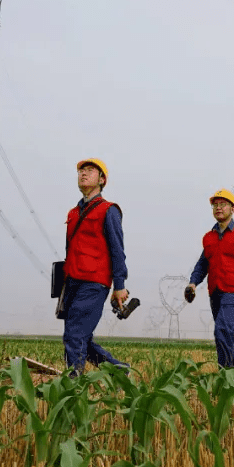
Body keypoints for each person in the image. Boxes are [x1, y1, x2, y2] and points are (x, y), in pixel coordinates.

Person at [60, 158, 130, 375]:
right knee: (79, 337)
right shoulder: (73, 213)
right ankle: (119, 370)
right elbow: (69, 250)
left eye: (90, 171)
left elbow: (117, 250)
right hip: (72, 282)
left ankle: (72, 385)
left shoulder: (109, 210)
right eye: (81, 170)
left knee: (75, 335)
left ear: (102, 179)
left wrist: (119, 285)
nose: (83, 174)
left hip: (94, 282)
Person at [184, 189, 234, 376]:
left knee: (221, 328)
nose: (218, 208)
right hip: (216, 291)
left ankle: (228, 373)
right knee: (228, 332)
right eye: (215, 205)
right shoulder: (209, 237)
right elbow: (203, 263)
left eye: (223, 204)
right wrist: (193, 283)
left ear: (233, 209)